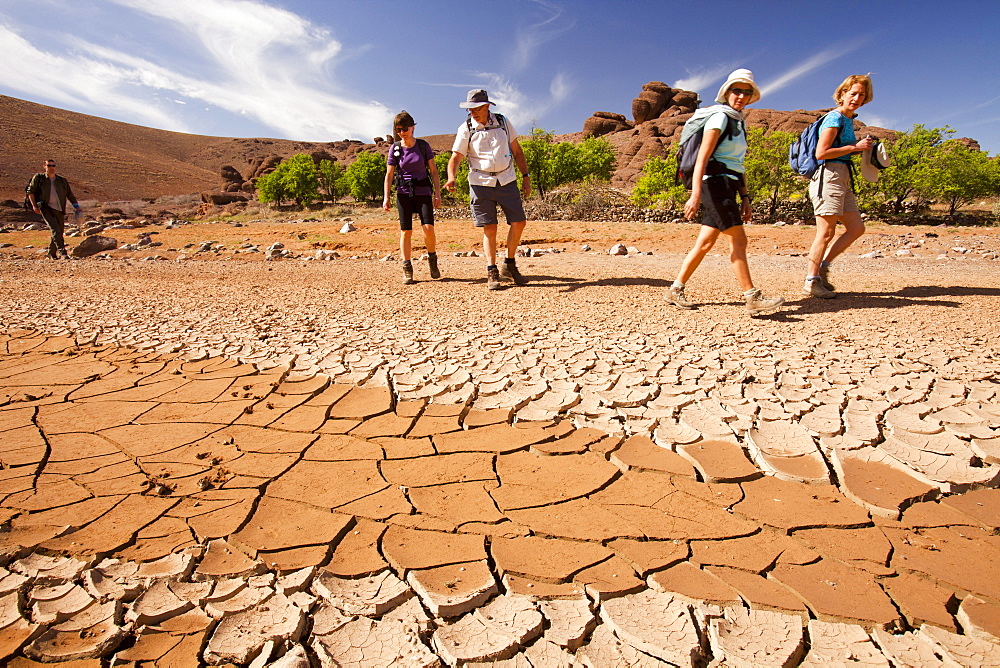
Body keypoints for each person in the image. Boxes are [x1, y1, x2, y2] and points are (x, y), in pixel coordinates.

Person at [665, 69, 784, 315]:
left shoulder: (738, 122)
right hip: (713, 183)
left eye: (746, 92)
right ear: (727, 92)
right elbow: (702, 158)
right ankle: (752, 298)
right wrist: (695, 193)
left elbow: (738, 165)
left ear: (751, 96)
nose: (740, 95)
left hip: (727, 183)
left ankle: (674, 289)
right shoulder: (720, 117)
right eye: (736, 90)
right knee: (739, 241)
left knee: (705, 242)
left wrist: (746, 197)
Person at [446, 89, 531, 291]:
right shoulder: (466, 128)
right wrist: (451, 177)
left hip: (507, 179)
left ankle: (509, 264)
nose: (472, 112)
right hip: (480, 182)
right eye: (470, 109)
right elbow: (456, 157)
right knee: (489, 227)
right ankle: (491, 270)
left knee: (519, 222)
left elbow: (517, 152)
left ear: (487, 107)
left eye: (476, 108)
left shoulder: (502, 122)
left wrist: (525, 178)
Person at [803, 74, 875, 299]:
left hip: (842, 176)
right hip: (829, 175)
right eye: (852, 93)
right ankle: (811, 281)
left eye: (861, 95)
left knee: (856, 228)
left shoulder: (847, 120)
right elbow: (821, 152)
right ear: (842, 94)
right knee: (825, 232)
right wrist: (855, 147)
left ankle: (823, 267)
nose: (856, 98)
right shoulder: (834, 118)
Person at [383, 111, 442, 284]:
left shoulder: (423, 146)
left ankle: (432, 260)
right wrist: (386, 197)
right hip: (403, 193)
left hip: (423, 191)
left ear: (413, 127)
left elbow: (434, 171)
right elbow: (389, 175)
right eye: (399, 129)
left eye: (405, 128)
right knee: (405, 231)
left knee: (428, 228)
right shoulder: (395, 149)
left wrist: (437, 193)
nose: (402, 132)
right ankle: (407, 268)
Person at [27, 159, 80, 260]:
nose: (51, 168)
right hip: (46, 208)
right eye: (49, 166)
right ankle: (62, 252)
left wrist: (76, 206)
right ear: (44, 166)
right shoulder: (39, 178)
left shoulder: (61, 180)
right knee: (55, 230)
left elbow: (70, 194)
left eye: (53, 166)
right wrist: (34, 206)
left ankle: (51, 253)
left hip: (59, 209)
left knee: (58, 231)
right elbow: (31, 192)